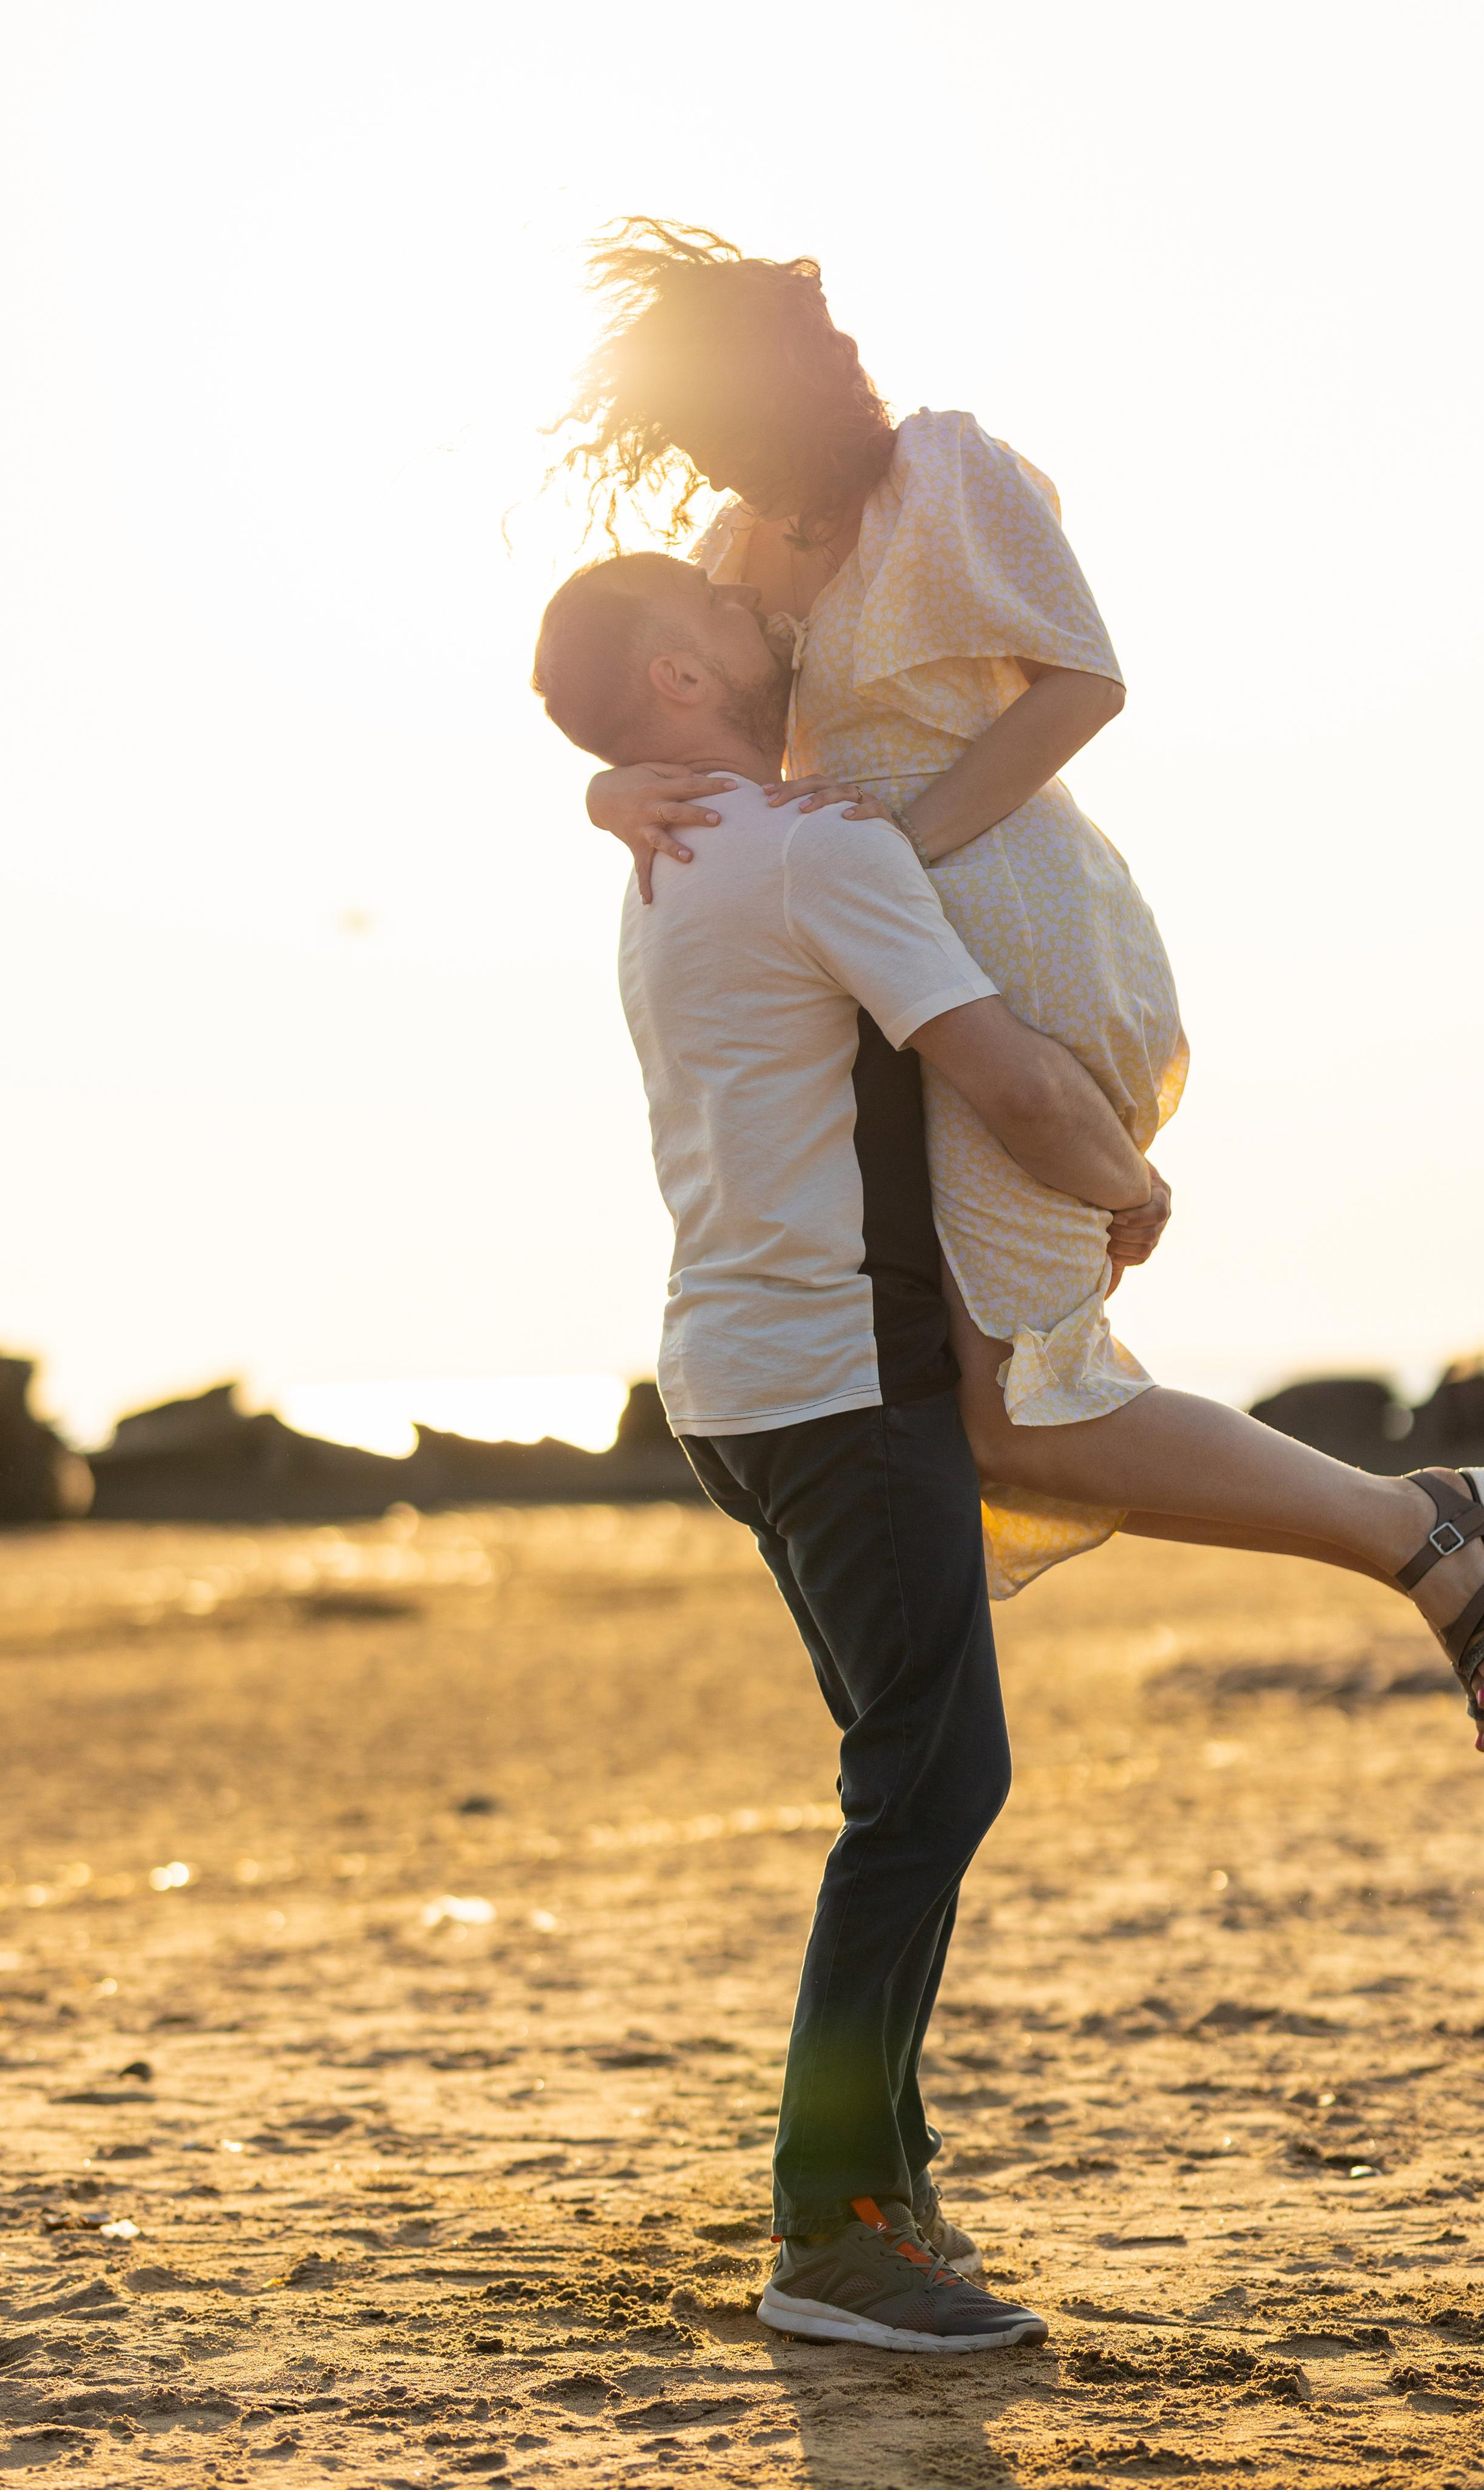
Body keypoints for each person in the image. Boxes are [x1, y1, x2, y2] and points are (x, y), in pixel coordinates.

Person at [557, 220, 1484, 1765]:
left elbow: (1084, 677)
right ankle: (1421, 1532)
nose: (717, 461)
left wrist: (905, 844)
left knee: (1020, 1413)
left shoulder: (945, 470)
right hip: (885, 961)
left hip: (1019, 921)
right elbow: (678, 725)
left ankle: (1424, 1533)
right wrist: (608, 803)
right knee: (1005, 1417)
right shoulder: (743, 550)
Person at [533, 548, 1154, 2351]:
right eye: (729, 618)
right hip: (833, 1381)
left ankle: (886, 2182)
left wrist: (594, 785)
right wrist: (1132, 1181)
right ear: (675, 677)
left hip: (738, 1384)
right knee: (927, 1792)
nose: (770, 613)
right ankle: (834, 2235)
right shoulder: (814, 851)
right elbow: (1012, 1078)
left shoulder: (675, 850)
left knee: (915, 1777)